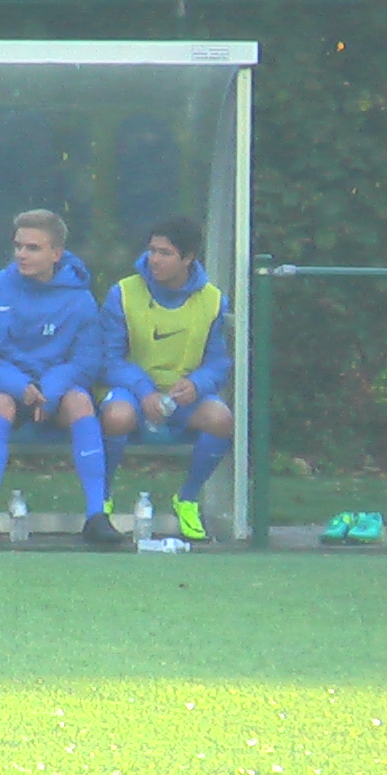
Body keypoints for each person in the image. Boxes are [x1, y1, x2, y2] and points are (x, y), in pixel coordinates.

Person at [0, 209, 126, 546]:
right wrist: (20, 386)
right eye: (18, 246)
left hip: (55, 392)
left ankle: (96, 515)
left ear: (56, 253)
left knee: (80, 401)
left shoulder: (79, 299)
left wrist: (48, 389)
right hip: (7, 390)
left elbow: (86, 361)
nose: (22, 255)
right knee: (1, 404)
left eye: (33, 248)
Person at [99, 216, 234, 541]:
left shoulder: (213, 300)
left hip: (183, 397)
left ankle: (187, 499)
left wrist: (197, 384)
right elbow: (108, 358)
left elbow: (219, 361)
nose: (154, 260)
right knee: (116, 416)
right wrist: (144, 390)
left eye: (165, 253)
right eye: (152, 251)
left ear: (188, 258)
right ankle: (100, 500)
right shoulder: (123, 293)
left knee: (221, 419)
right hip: (132, 391)